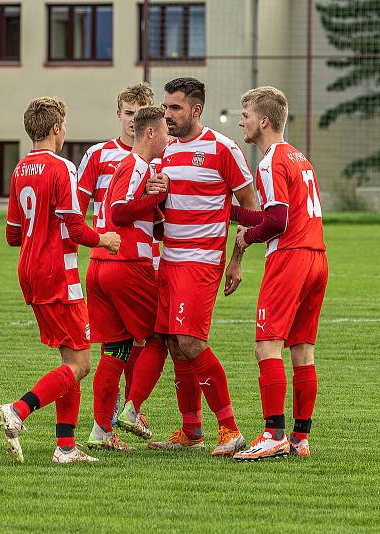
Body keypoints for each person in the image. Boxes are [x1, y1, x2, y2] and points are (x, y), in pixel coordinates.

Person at [0, 97, 121, 464]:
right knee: (81, 365)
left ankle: (65, 447)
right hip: (58, 274)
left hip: (30, 272)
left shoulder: (20, 169)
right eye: (63, 126)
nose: (65, 131)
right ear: (55, 128)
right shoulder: (62, 167)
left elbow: (13, 235)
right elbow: (77, 226)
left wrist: (43, 232)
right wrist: (105, 238)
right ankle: (18, 409)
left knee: (70, 360)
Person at [146, 77, 256, 456]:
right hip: (169, 258)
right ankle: (191, 428)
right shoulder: (165, 152)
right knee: (176, 344)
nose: (167, 114)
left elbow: (251, 209)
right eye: (165, 107)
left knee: (192, 342)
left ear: (196, 109)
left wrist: (236, 260)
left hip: (202, 260)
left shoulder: (223, 149)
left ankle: (230, 429)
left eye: (175, 107)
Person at [227, 87, 327, 461]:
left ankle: (273, 434)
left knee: (266, 345)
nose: (241, 121)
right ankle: (300, 438)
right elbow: (275, 213)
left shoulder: (269, 162)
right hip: (317, 256)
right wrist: (231, 213)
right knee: (302, 351)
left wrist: (246, 236)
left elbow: (277, 222)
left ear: (263, 121)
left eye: (246, 114)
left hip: (290, 257)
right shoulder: (299, 157)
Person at [86, 106, 170, 450]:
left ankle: (101, 432)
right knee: (160, 336)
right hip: (127, 263)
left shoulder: (131, 166)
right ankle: (133, 410)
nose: (168, 137)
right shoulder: (136, 165)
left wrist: (156, 205)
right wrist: (158, 197)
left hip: (100, 263)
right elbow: (120, 212)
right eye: (165, 131)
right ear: (149, 133)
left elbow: (139, 215)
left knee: (115, 350)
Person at [76, 83, 158, 426]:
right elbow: (75, 211)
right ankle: (121, 411)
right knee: (145, 337)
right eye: (128, 114)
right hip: (117, 260)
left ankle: (117, 416)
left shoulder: (159, 155)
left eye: (139, 115)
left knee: (130, 342)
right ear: (119, 114)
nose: (131, 121)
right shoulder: (98, 155)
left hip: (146, 257)